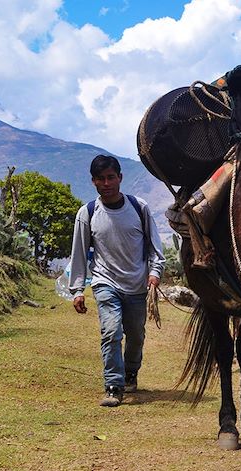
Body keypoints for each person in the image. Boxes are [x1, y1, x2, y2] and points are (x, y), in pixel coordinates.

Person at [69, 155, 166, 407]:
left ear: (120, 178)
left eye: (111, 177)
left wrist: (155, 273)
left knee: (136, 335)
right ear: (93, 182)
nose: (106, 183)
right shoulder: (88, 213)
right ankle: (113, 385)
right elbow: (78, 253)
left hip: (136, 285)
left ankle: (130, 372)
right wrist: (77, 290)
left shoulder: (139, 207)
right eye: (100, 178)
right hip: (104, 282)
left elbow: (155, 247)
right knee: (111, 331)